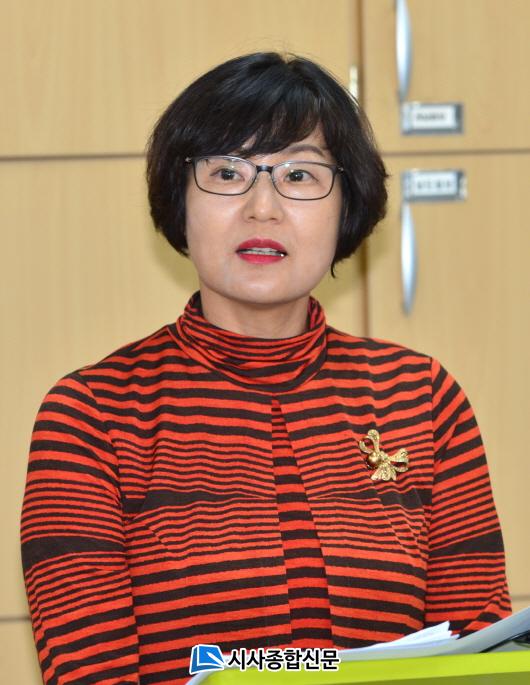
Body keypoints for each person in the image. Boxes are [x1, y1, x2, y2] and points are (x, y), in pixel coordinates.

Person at [21, 52, 511, 685]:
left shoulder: (422, 397)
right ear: (179, 199)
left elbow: (477, 650)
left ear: (347, 205)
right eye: (227, 172)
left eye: (299, 175)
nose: (262, 207)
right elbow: (90, 672)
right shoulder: (93, 414)